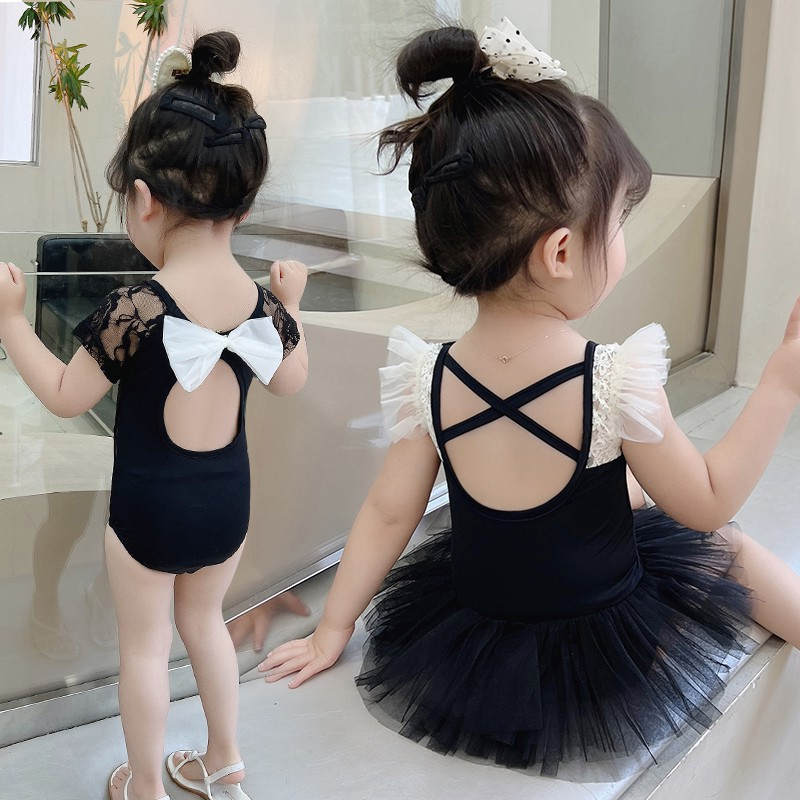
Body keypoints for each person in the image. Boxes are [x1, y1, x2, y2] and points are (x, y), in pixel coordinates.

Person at [261, 19, 800, 780]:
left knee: (629, 489)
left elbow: (387, 511)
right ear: (560, 252)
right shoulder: (612, 379)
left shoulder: (428, 376)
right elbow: (708, 501)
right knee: (726, 545)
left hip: (478, 630)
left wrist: (333, 629)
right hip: (599, 638)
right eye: (618, 224)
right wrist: (780, 381)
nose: (620, 242)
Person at [0, 30, 308, 800]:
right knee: (204, 624)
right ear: (245, 201)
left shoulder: (134, 306)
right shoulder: (260, 306)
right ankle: (225, 759)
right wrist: (290, 306)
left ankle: (144, 785)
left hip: (147, 515)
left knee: (144, 649)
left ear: (143, 199)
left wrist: (9, 323)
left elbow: (65, 395)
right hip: (226, 510)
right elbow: (292, 381)